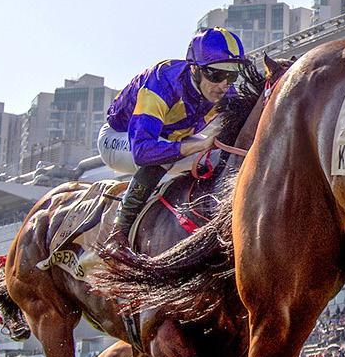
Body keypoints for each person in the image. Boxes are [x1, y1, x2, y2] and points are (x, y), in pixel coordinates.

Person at [98, 27, 245, 251]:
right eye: (216, 75)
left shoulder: (225, 92)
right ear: (194, 69)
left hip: (169, 139)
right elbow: (143, 151)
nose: (224, 85)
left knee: (219, 155)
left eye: (232, 76)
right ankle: (119, 231)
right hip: (120, 139)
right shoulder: (161, 82)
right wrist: (197, 145)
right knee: (163, 157)